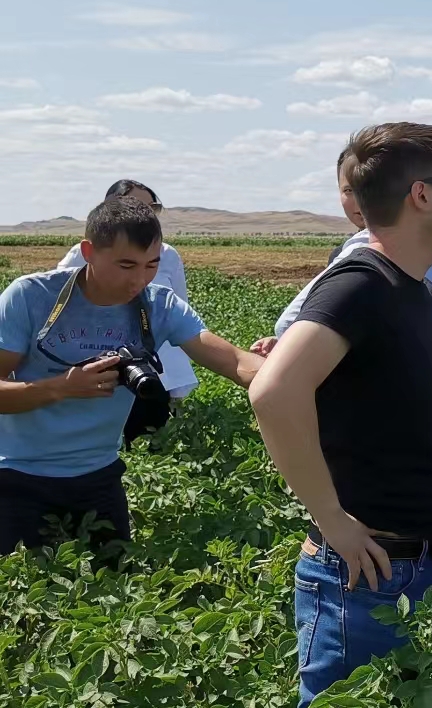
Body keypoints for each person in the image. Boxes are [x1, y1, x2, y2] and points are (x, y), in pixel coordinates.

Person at [249, 122, 432, 708]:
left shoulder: (412, 288)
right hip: (368, 575)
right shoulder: (361, 286)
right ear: (422, 195)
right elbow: (273, 391)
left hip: (429, 558)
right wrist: (333, 520)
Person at [258, 135, 432, 522]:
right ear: (422, 193)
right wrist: (331, 518)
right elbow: (279, 374)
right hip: (406, 466)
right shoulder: (368, 266)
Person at [0, 198, 261, 556]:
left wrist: (300, 377)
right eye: (126, 265)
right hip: (19, 478)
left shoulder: (158, 304)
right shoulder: (31, 297)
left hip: (100, 476)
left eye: (152, 265)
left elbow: (235, 362)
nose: (139, 279)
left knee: (117, 592)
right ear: (89, 251)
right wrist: (60, 388)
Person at [56, 180, 200, 407]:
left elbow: (180, 310)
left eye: (151, 208)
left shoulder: (168, 255)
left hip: (157, 367)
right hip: (102, 370)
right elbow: (63, 303)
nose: (140, 279)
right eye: (126, 265)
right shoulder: (79, 256)